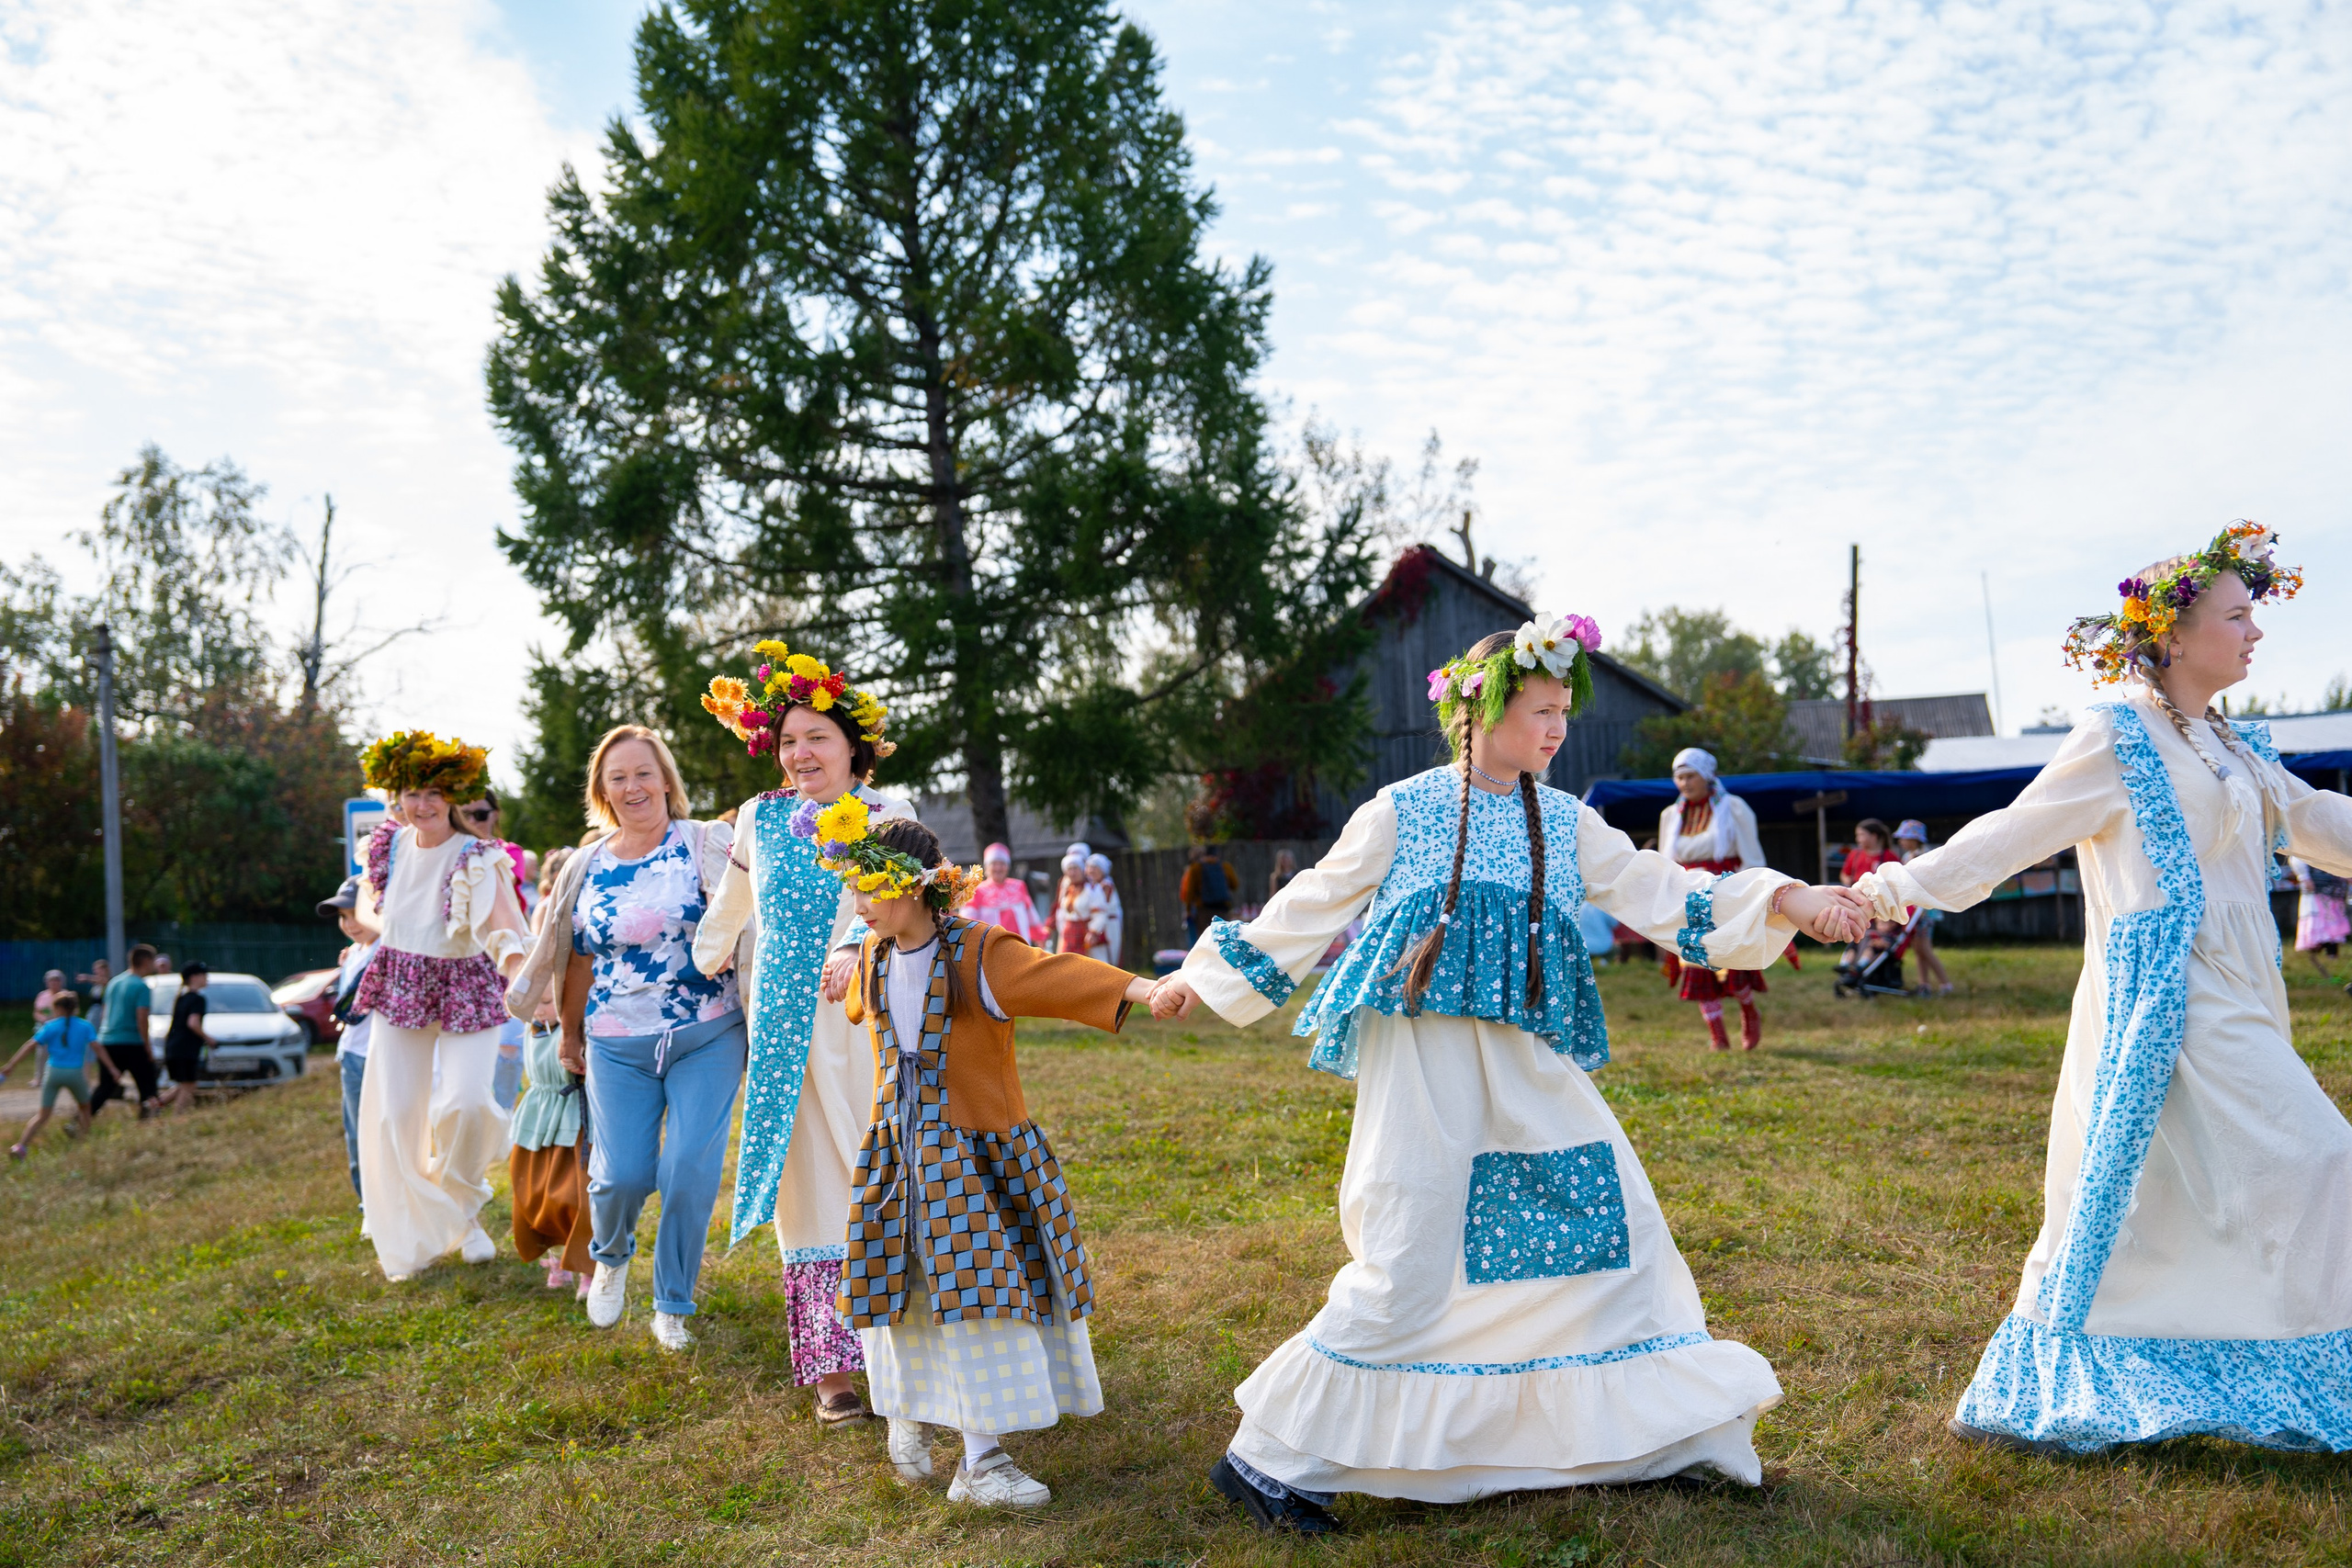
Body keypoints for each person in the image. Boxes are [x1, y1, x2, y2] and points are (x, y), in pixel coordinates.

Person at [1150, 617, 1868, 1529]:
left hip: (1529, 1067)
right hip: (1424, 1067)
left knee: (1613, 1236)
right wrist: (1201, 982)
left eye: (1564, 712)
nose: (1557, 730)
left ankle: (1664, 1437)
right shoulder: (1402, 810)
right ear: (1479, 710)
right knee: (1413, 1256)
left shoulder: (1565, 822)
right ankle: (1272, 1462)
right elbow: (1310, 902)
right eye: (1540, 711)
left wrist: (1788, 897)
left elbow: (1664, 892)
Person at [1851, 525, 2352, 1454]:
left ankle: (2225, 1361)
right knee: (2319, 1156)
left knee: (2181, 1193)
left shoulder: (2229, 745)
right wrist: (1887, 890)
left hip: (2243, 985)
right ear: (2171, 633)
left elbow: (2312, 816)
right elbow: (2013, 833)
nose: (2255, 634)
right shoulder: (2117, 736)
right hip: (2172, 995)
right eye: (2238, 616)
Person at [814, 810, 1157, 1507]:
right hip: (897, 1155)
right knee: (900, 1290)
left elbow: (1057, 974)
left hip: (974, 1158)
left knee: (981, 1296)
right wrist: (845, 963)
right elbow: (855, 996)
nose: (857, 905)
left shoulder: (979, 952)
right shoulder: (876, 956)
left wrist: (1145, 989)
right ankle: (905, 1407)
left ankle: (982, 1462)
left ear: (911, 888)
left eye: (866, 890)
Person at [691, 642, 913, 1419]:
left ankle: (904, 1349)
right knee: (804, 1184)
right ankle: (834, 1371)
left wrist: (856, 941)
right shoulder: (760, 815)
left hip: (871, 1020)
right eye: (788, 740)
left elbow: (900, 902)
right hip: (783, 1025)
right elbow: (730, 907)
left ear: (854, 746)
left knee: (879, 1164)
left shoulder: (890, 813)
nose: (800, 752)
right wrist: (701, 959)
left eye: (816, 736)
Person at [509, 724, 745, 1350]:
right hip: (616, 1039)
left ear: (666, 778)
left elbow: (751, 917)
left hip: (707, 1030)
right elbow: (575, 957)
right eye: (619, 777)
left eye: (644, 772)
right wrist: (568, 1035)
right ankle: (609, 1254)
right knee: (621, 1176)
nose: (634, 786)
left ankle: (672, 1301)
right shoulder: (586, 864)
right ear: (602, 790)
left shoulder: (703, 843)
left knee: (689, 1169)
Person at [352, 729, 531, 1281]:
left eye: (433, 793)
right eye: (411, 793)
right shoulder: (385, 846)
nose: (422, 805)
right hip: (401, 981)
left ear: (454, 796)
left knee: (467, 1104)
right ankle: (414, 1232)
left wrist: (523, 978)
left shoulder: (478, 857)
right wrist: (360, 932)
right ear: (397, 797)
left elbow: (504, 929)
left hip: (466, 985)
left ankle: (461, 1206)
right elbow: (372, 913)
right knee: (396, 1115)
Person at [1657, 748, 1774, 1050]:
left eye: (1690, 776)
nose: (1683, 783)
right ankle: (1718, 1035)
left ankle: (1749, 1011)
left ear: (1707, 776)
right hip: (1689, 896)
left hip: (1726, 891)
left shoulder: (1734, 809)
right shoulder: (1670, 816)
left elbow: (1752, 858)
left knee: (1732, 961)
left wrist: (1749, 895)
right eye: (1678, 777)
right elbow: (1665, 862)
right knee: (1696, 962)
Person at [317, 876, 379, 1224]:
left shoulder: (387, 950)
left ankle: (387, 1201)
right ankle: (368, 1206)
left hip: (381, 1056)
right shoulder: (353, 955)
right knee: (356, 1135)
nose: (350, 924)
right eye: (343, 917)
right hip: (353, 1056)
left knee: (384, 1133)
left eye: (356, 914)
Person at [5, 992, 108, 1158]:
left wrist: (11, 1065)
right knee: (85, 1107)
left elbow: (30, 1046)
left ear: (57, 1008)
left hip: (53, 1072)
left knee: (43, 1115)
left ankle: (21, 1147)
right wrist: (113, 1068)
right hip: (75, 1073)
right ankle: (85, 1143)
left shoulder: (50, 1026)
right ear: (75, 1008)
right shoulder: (85, 1025)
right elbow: (98, 1048)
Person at [89, 947, 160, 1118]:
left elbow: (105, 1013)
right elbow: (142, 1018)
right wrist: (147, 1046)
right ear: (146, 962)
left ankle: (80, 1120)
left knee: (106, 1086)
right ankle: (148, 1120)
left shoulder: (114, 983)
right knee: (148, 1085)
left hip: (107, 1040)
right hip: (132, 1042)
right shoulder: (142, 986)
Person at [1893, 820, 1953, 996]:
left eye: (1904, 837)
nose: (1901, 841)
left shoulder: (1924, 856)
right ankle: (1924, 984)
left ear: (1914, 838)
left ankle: (1945, 984)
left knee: (1925, 948)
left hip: (1924, 911)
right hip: (1913, 910)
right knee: (1918, 949)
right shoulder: (1907, 856)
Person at [2287, 853, 2352, 989]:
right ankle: (2317, 950)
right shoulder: (2307, 847)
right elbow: (2297, 857)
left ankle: (2332, 953)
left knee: (2332, 922)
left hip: (2334, 890)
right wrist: (2304, 877)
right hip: (2317, 890)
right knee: (2321, 921)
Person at [966, 843, 1046, 944]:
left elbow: (1031, 916)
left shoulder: (1018, 886)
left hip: (1021, 945)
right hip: (991, 949)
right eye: (994, 864)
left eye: (1002, 864)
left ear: (1008, 866)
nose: (998, 868)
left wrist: (1040, 937)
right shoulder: (977, 890)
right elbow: (967, 922)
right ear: (986, 867)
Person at [158, 964, 211, 1113]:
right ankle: (178, 1118)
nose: (207, 978)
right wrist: (209, 1038)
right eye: (204, 975)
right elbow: (193, 1023)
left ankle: (155, 1106)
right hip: (185, 1049)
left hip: (173, 1048)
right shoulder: (197, 999)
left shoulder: (181, 997)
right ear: (194, 977)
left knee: (184, 1084)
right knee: (189, 1085)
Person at [1181, 843, 1235, 943]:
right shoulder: (1225, 867)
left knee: (1205, 941)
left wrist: (1188, 910)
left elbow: (1189, 893)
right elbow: (1235, 885)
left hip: (1203, 910)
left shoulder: (1196, 868)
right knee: (1224, 940)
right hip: (1222, 909)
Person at [1084, 852, 1125, 966]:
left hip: (1107, 926)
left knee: (1105, 956)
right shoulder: (1091, 886)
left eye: (1095, 868)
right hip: (1099, 923)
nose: (1091, 871)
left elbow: (1101, 908)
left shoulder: (1105, 885)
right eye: (1089, 867)